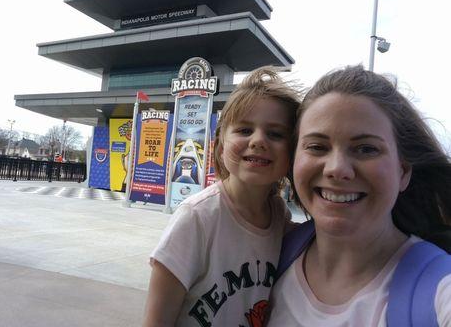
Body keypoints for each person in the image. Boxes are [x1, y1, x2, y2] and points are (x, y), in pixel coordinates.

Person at [268, 65, 451, 326]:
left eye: (366, 149)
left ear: (403, 172)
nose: (337, 169)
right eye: (317, 147)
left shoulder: (440, 289)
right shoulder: (264, 259)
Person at [142, 66, 301, 327]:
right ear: (221, 143)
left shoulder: (278, 215)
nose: (259, 140)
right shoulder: (196, 218)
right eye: (244, 130)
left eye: (275, 134)